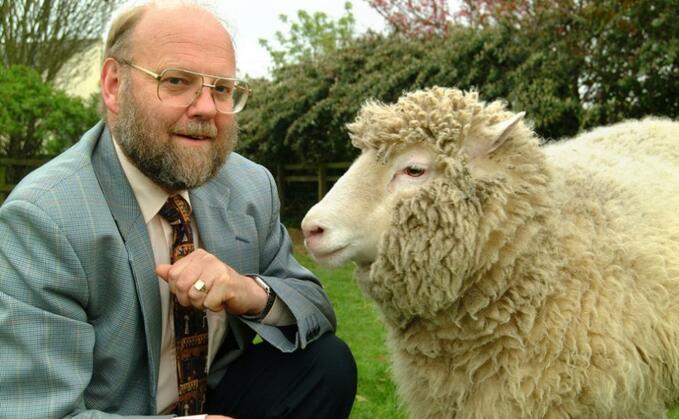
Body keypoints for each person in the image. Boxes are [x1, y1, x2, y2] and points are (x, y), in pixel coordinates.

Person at [0, 2, 357, 418]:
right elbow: (38, 411)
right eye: (176, 81)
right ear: (114, 85)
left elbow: (315, 309)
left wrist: (248, 292)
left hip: (218, 391)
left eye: (221, 88)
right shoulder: (45, 218)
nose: (206, 108)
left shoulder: (248, 186)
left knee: (326, 364)